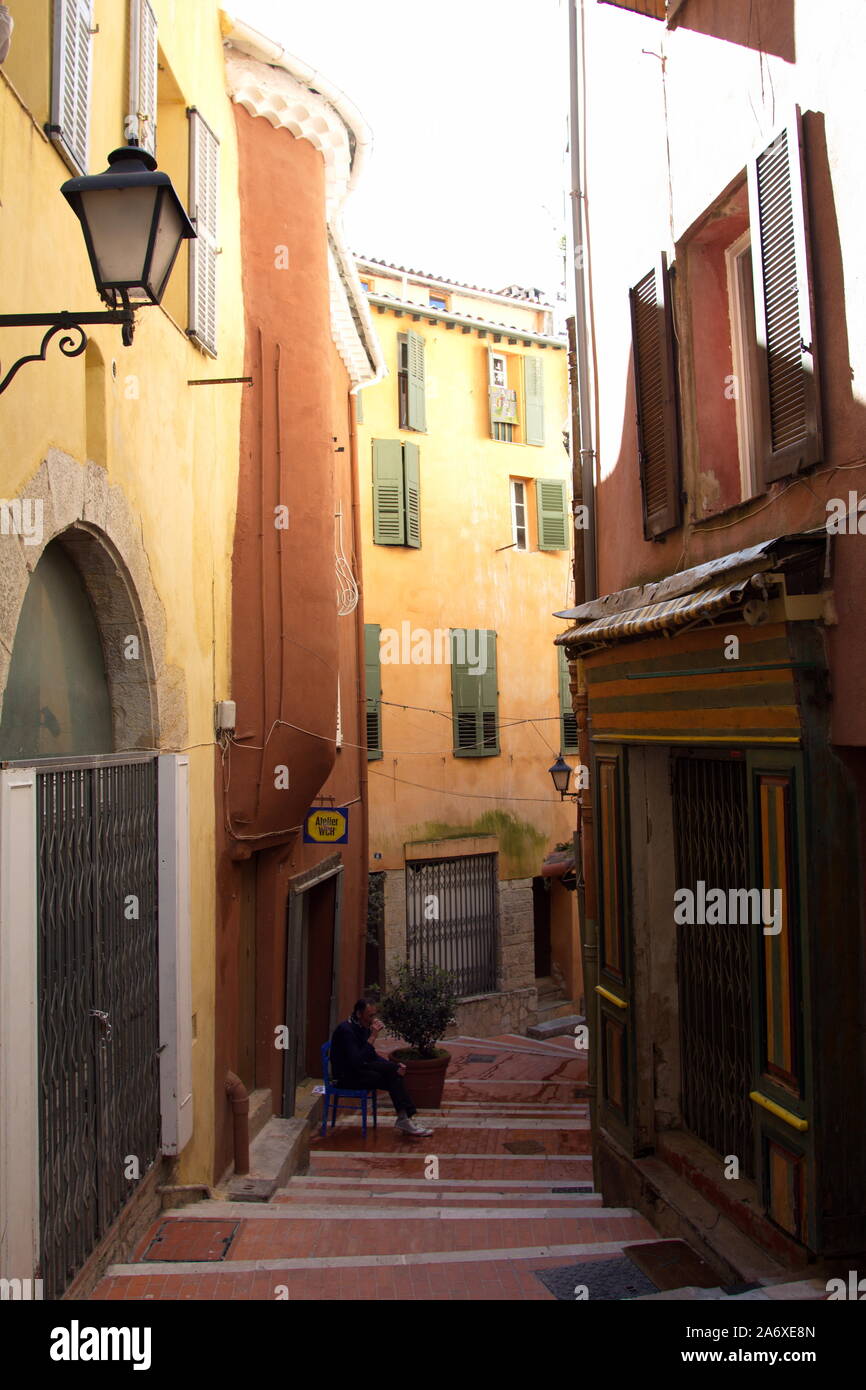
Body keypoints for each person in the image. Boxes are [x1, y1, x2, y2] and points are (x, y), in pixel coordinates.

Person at [329, 998, 433, 1137]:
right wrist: (372, 1037)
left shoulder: (363, 1027)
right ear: (359, 1014)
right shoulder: (346, 1031)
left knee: (394, 1074)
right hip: (345, 1076)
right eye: (370, 1016)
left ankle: (405, 1118)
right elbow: (357, 1061)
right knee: (389, 1077)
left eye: (374, 1015)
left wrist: (393, 1066)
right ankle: (405, 1118)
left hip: (359, 1070)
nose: (373, 1019)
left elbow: (371, 1056)